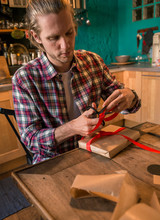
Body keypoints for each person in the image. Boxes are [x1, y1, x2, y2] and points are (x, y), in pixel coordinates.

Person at [12, 0, 141, 164]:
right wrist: (71, 128)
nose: (65, 45)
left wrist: (130, 97)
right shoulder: (24, 79)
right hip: (53, 163)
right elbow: (31, 141)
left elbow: (130, 104)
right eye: (53, 37)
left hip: (95, 152)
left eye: (69, 33)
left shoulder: (93, 62)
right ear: (36, 37)